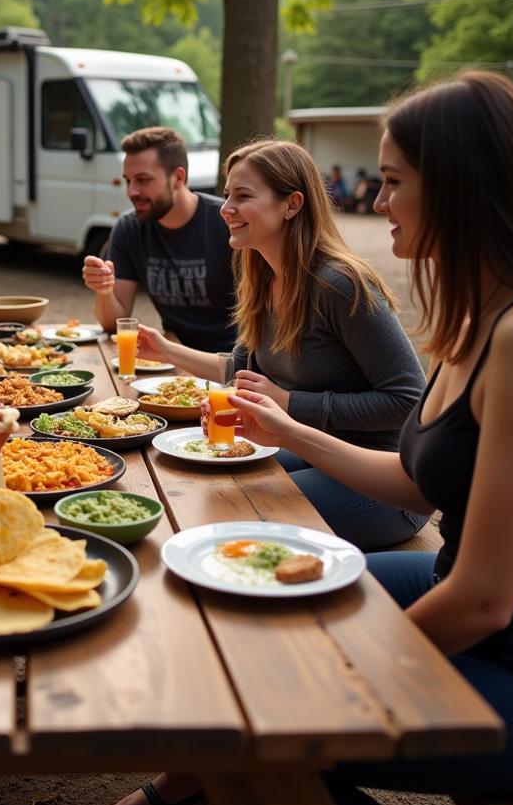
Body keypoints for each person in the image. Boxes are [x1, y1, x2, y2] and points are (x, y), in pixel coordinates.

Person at [107, 71, 513, 805]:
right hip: (451, 583)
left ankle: (214, 783)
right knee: (245, 622)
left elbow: (486, 600)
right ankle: (195, 783)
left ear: (457, 186)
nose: (375, 203)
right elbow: (419, 487)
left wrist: (338, 671)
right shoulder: (477, 316)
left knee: (258, 729)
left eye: (391, 181)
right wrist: (292, 433)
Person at [136, 139, 428, 550]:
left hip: (384, 484)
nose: (225, 209)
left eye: (243, 196)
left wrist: (289, 405)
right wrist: (168, 352)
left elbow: (410, 400)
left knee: (237, 511)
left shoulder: (339, 284)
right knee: (202, 481)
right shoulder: (262, 276)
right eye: (226, 196)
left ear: (291, 204)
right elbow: (239, 369)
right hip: (309, 450)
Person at [82, 126, 235, 352]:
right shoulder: (129, 228)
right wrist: (104, 290)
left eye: (143, 180)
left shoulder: (227, 223)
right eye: (128, 181)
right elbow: (113, 325)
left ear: (178, 178)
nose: (132, 191)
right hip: (173, 358)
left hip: (233, 363)